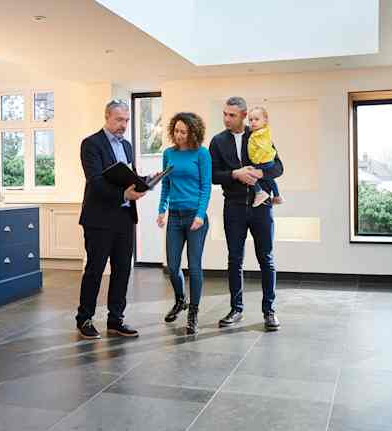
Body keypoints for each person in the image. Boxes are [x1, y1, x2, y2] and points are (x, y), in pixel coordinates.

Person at [209, 96, 284, 331]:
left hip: (261, 207)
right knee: (234, 259)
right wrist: (235, 174)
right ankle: (236, 309)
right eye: (225, 114)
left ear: (243, 115)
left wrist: (259, 175)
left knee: (267, 259)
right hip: (233, 207)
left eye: (232, 115)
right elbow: (212, 175)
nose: (226, 119)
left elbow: (278, 167)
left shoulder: (259, 134)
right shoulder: (217, 141)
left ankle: (269, 311)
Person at [75, 99, 146, 340]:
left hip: (125, 217)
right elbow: (95, 181)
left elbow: (128, 177)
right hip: (99, 219)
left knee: (122, 270)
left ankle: (116, 320)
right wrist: (123, 193)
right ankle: (84, 318)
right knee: (95, 270)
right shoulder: (91, 144)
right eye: (119, 120)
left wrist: (145, 181)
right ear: (106, 117)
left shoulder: (126, 146)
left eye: (126, 120)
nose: (123, 125)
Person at [157, 112, 211, 335]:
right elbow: (165, 184)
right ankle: (181, 300)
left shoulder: (202, 154)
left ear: (193, 132)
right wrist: (162, 210)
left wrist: (200, 214)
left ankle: (193, 313)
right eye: (176, 131)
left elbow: (205, 187)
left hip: (195, 217)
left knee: (195, 266)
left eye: (183, 132)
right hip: (175, 216)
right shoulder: (168, 153)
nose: (178, 135)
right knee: (172, 265)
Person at [246, 105, 284, 207]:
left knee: (250, 175)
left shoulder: (259, 134)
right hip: (267, 161)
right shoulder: (260, 132)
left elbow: (263, 148)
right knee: (269, 179)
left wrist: (256, 160)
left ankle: (259, 193)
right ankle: (277, 196)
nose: (253, 122)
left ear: (265, 121)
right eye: (250, 120)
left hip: (263, 161)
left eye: (256, 119)